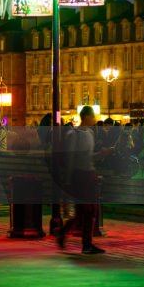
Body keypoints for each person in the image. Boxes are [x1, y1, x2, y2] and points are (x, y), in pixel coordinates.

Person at [57, 106, 112, 254]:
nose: (95, 119)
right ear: (86, 117)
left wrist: (101, 154)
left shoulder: (90, 133)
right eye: (93, 116)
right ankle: (84, 243)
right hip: (79, 175)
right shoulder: (74, 134)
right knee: (86, 210)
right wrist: (68, 180)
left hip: (89, 174)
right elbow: (70, 159)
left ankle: (70, 235)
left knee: (88, 210)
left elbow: (89, 156)